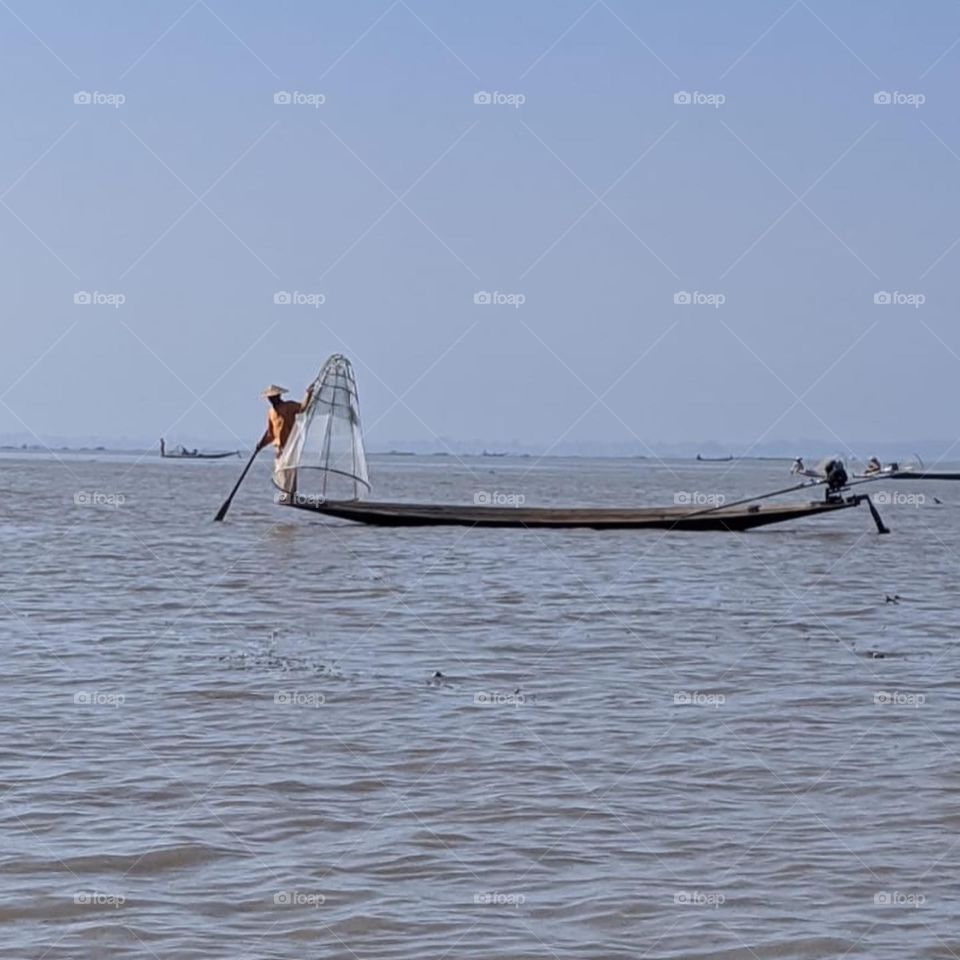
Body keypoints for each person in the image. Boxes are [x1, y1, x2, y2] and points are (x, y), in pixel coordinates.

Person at [256, 383, 314, 499]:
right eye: (270, 398)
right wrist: (261, 444)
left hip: (290, 445)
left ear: (279, 396)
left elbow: (303, 408)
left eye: (274, 397)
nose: (271, 399)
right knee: (280, 472)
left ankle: (291, 495)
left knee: (289, 470)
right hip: (279, 449)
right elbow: (271, 434)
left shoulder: (289, 406)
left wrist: (308, 394)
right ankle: (286, 495)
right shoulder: (271, 412)